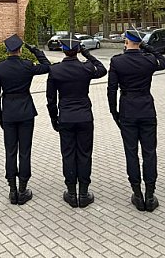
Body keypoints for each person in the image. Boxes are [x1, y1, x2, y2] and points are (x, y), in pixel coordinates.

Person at [108, 28, 165, 212]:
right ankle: (150, 196)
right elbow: (164, 62)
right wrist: (147, 47)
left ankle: (137, 193)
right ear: (140, 43)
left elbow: (111, 90)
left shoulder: (117, 61)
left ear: (126, 42)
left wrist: (114, 112)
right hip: (147, 110)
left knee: (131, 153)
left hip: (127, 111)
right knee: (149, 152)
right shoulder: (149, 60)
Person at [46, 35, 107, 208]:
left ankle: (71, 193)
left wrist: (54, 119)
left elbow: (50, 99)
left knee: (68, 154)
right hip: (85, 117)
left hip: (65, 117)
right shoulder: (86, 68)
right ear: (77, 50)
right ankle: (84, 192)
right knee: (85, 154)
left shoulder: (55, 70)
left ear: (63, 50)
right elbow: (102, 69)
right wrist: (87, 54)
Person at [0, 34, 51, 205]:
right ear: (19, 49)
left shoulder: (0, 68)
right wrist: (35, 50)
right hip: (25, 112)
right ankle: (23, 189)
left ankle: (12, 190)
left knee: (10, 151)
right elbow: (47, 66)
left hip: (8, 113)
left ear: (7, 50)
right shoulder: (27, 65)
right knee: (25, 151)